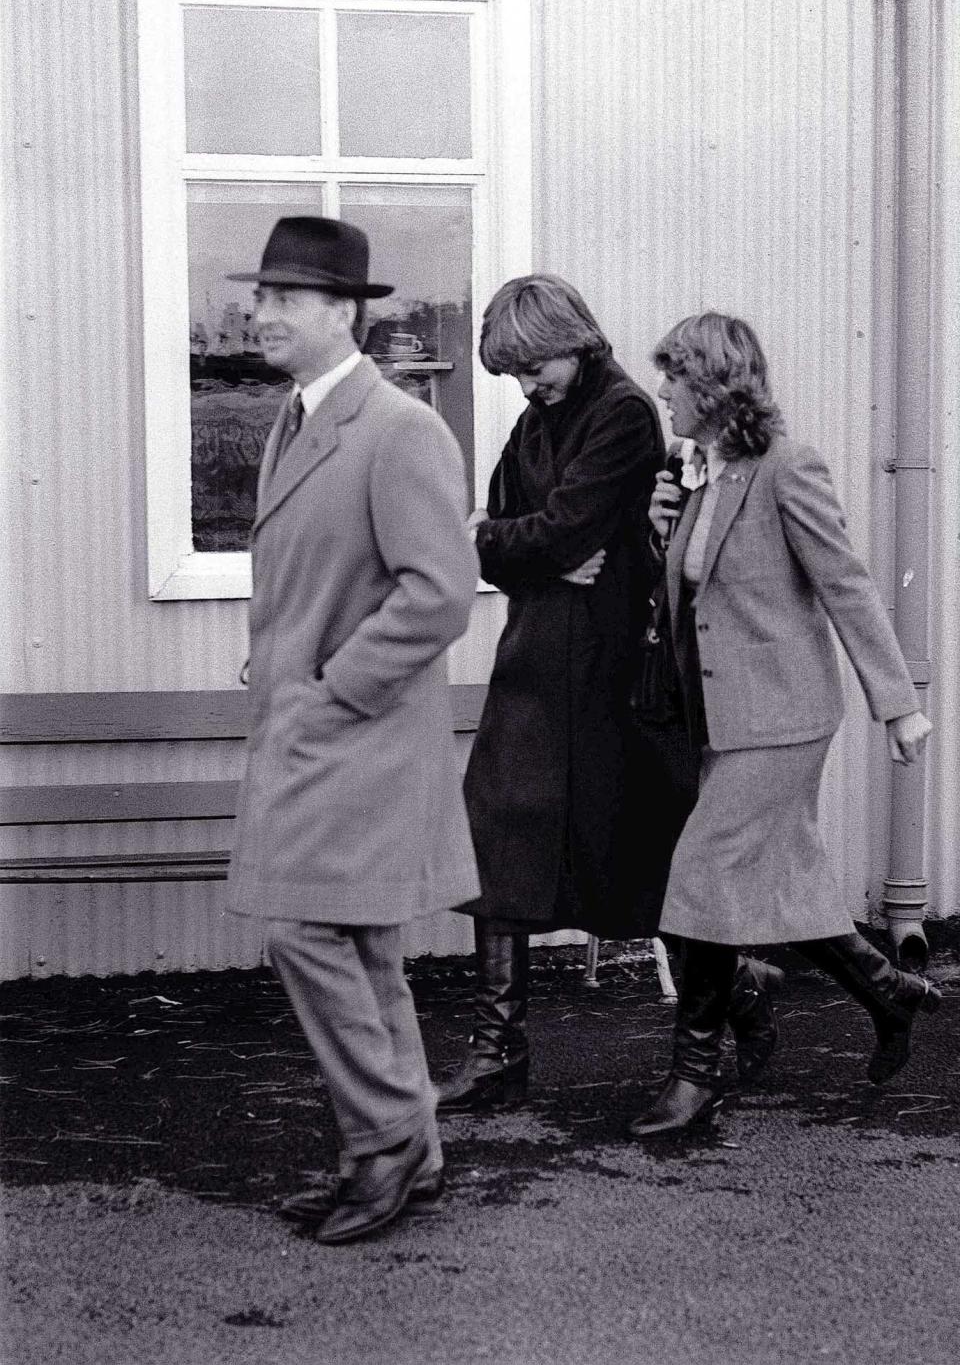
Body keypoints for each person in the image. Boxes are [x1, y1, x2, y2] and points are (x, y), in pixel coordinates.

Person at [438, 274, 779, 1114]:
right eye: (512, 374)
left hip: (614, 676)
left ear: (574, 339)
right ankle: (496, 1052)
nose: (525, 385)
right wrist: (525, 547)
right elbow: (486, 542)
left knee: (648, 862)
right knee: (497, 845)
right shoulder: (534, 423)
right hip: (532, 667)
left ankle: (731, 1000)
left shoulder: (623, 413)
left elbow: (550, 530)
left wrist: (527, 544)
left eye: (533, 366)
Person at [224, 217, 480, 1241]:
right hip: (314, 719)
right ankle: (410, 1147)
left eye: (286, 298)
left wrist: (333, 684)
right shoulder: (296, 417)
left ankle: (381, 1140)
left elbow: (440, 591)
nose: (263, 312)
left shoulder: (399, 428)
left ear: (344, 313)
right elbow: (325, 573)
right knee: (360, 938)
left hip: (355, 729)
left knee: (305, 928)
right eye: (263, 295)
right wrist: (279, 651)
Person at [626, 311, 939, 1139]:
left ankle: (694, 1076)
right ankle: (889, 991)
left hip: (783, 715)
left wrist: (898, 701)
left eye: (673, 377)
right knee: (780, 886)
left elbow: (847, 583)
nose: (661, 390)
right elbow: (693, 603)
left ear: (713, 384)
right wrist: (661, 529)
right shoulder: (698, 473)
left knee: (698, 877)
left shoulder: (786, 468)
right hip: (721, 718)